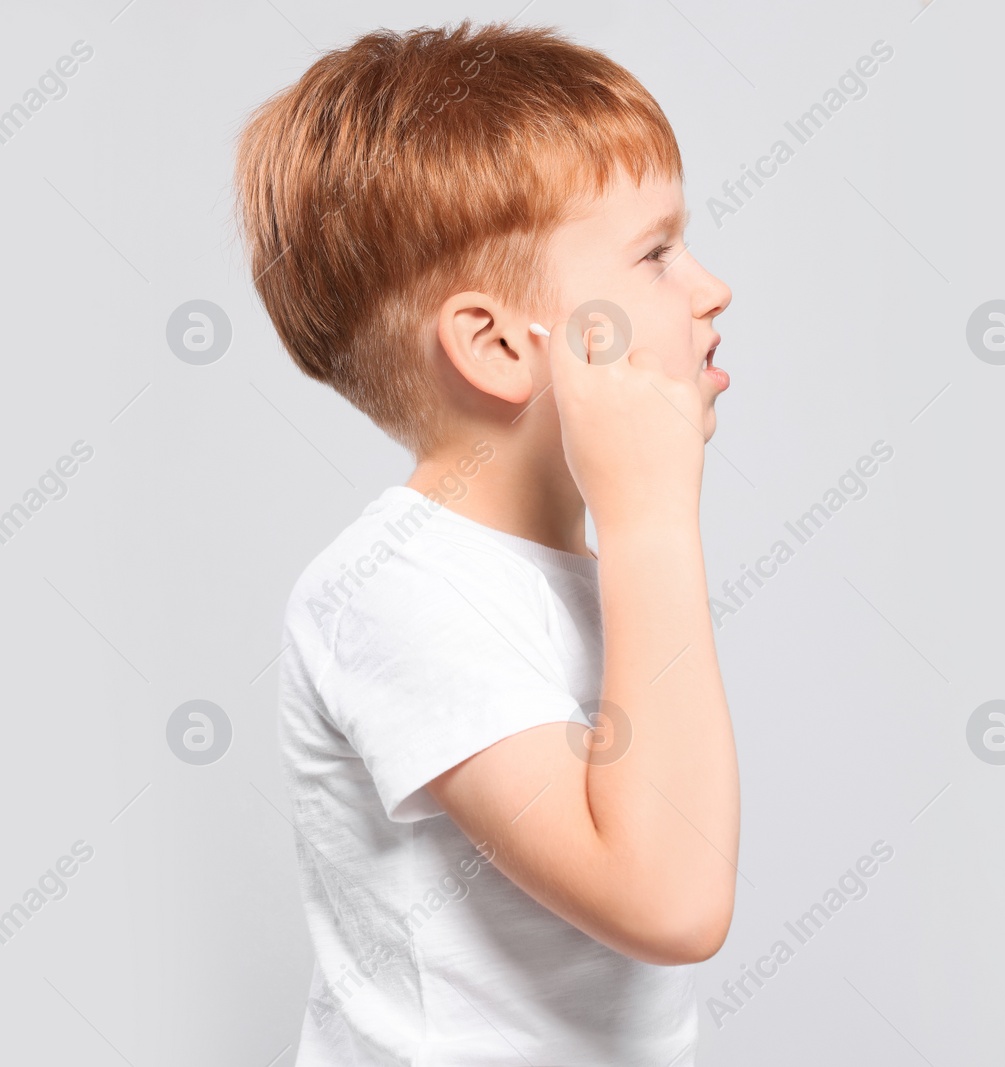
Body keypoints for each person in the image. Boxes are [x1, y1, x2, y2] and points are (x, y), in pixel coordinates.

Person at [234, 21, 739, 1065]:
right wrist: (650, 517)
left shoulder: (586, 585)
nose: (709, 288)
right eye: (654, 253)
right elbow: (672, 899)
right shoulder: (392, 591)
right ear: (499, 345)